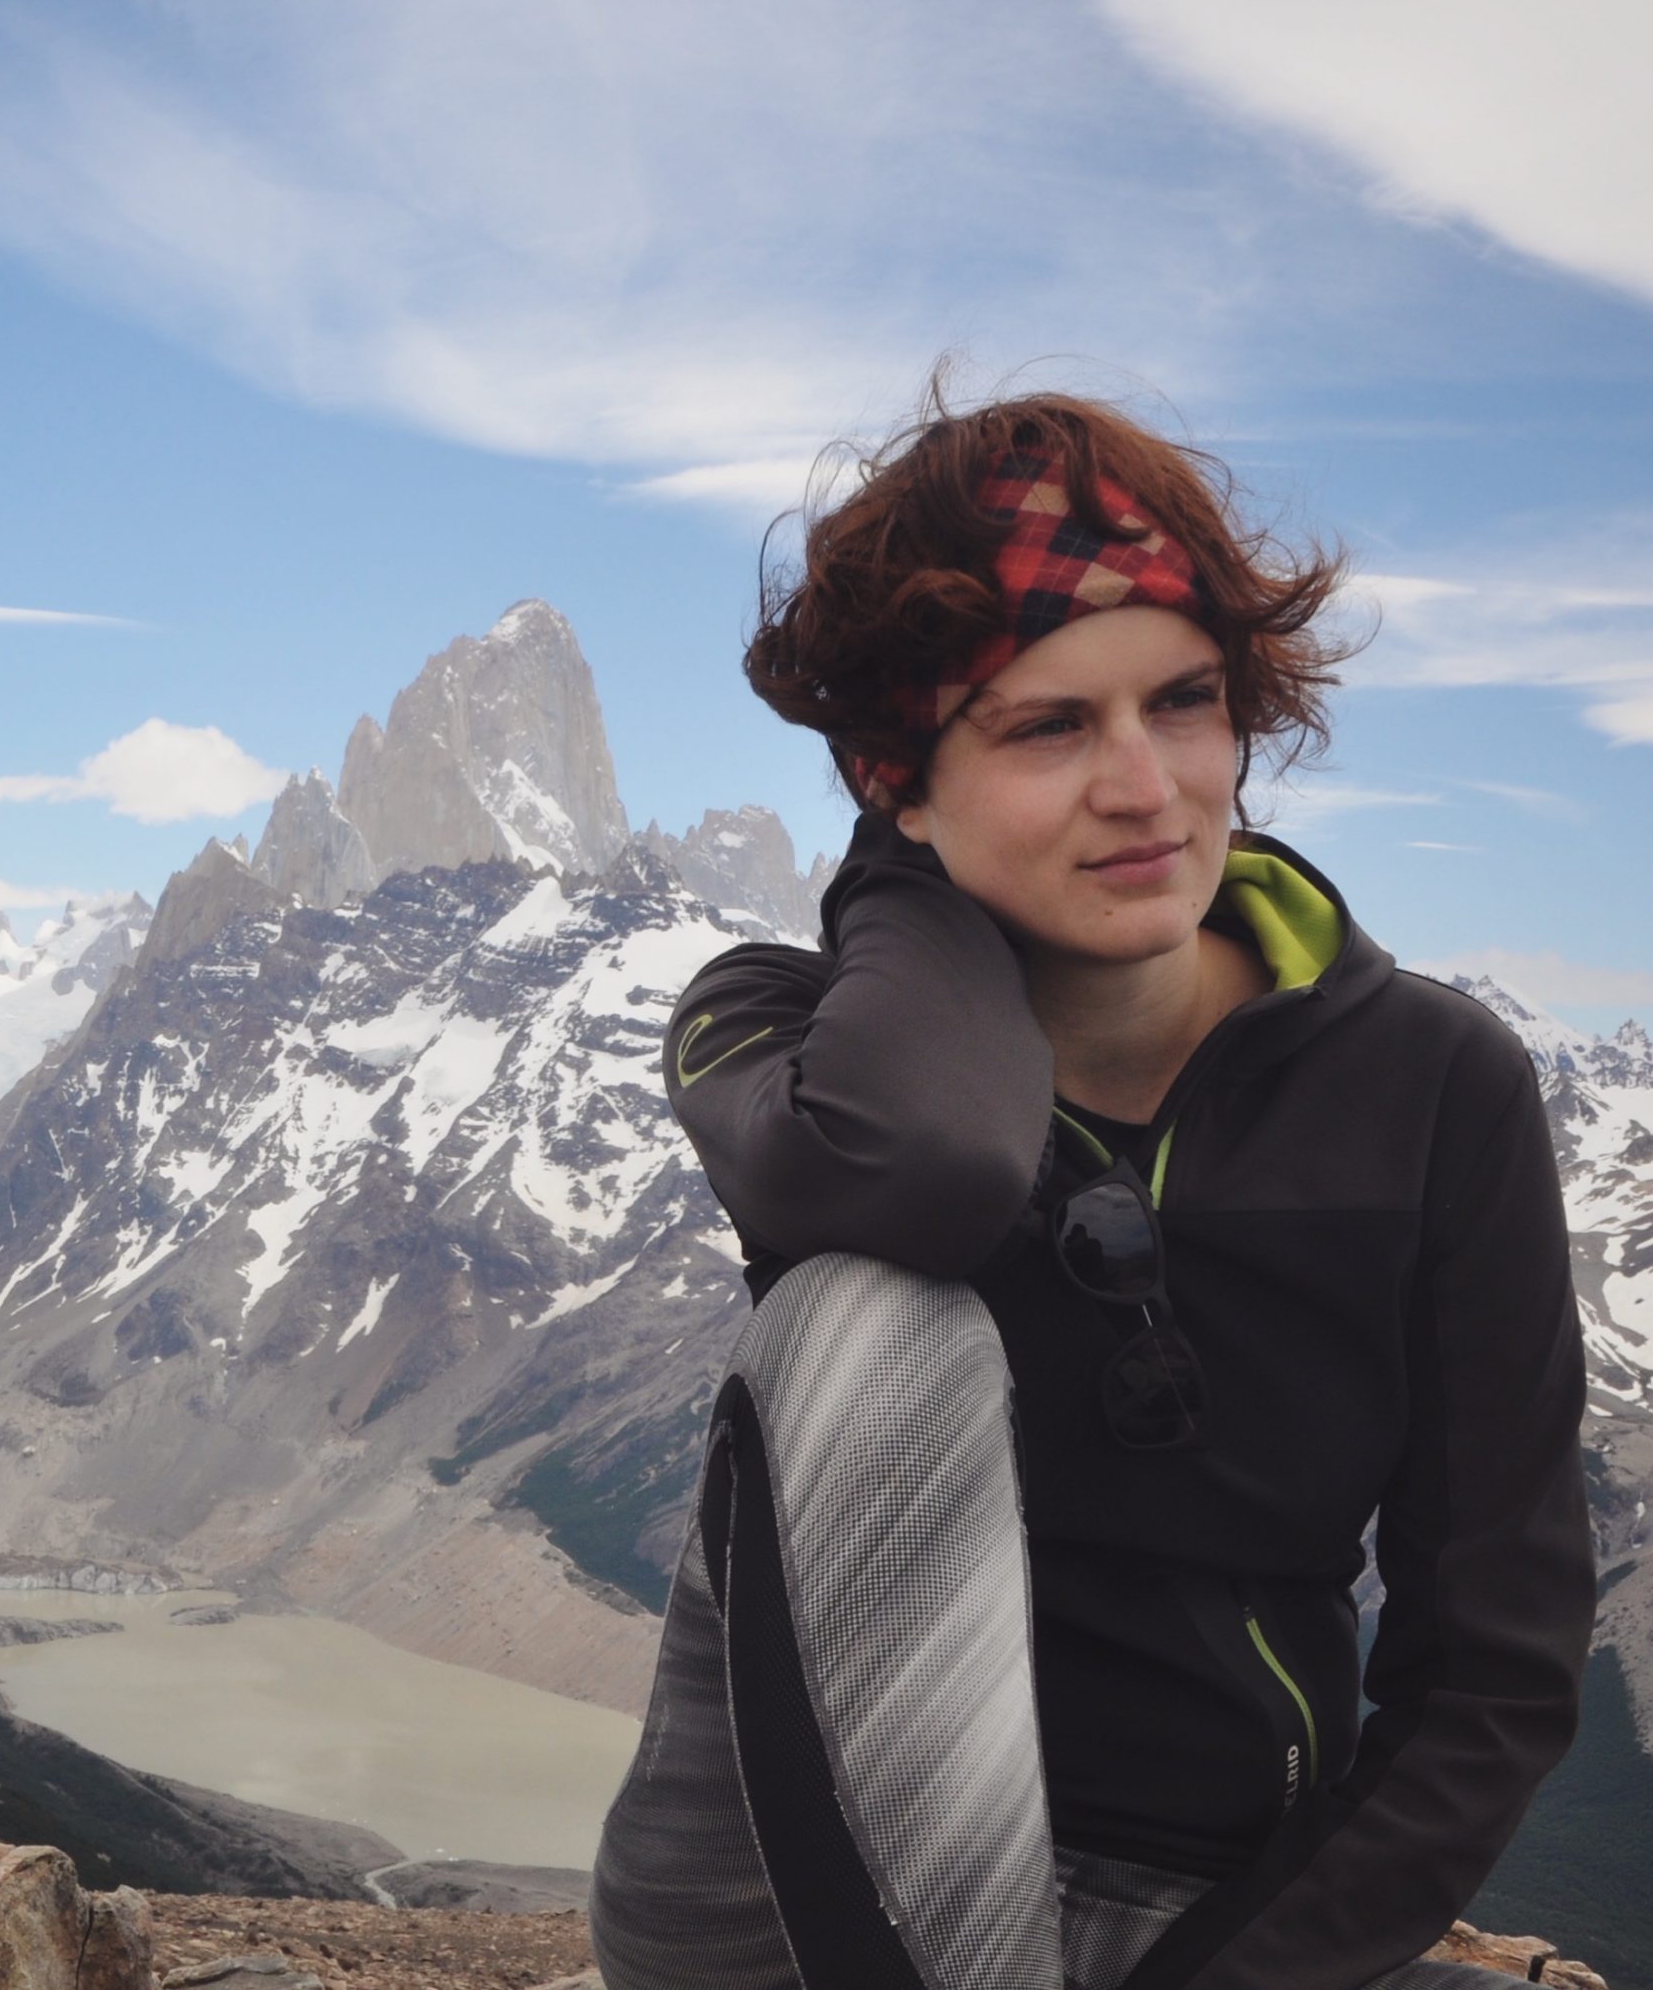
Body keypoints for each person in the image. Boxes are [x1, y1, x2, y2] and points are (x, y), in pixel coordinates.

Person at [587, 387, 1596, 1990]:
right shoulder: (776, 1032)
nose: (1147, 789)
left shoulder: (1433, 1085)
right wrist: (903, 879)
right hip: (793, 1894)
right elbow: (918, 1166)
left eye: (1187, 703)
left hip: (1205, 1909)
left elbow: (1498, 1664)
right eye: (1046, 726)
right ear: (893, 773)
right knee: (862, 1315)